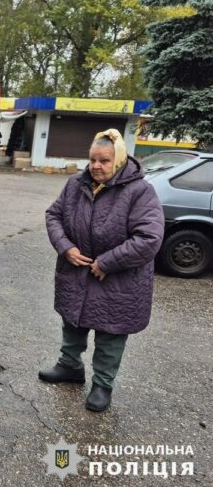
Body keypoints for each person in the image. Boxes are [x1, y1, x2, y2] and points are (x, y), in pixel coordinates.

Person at [40, 128, 164, 412]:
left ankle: (102, 385)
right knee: (73, 322)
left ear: (119, 160)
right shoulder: (75, 184)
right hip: (76, 271)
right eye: (93, 159)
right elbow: (54, 215)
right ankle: (69, 367)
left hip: (119, 280)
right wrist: (65, 247)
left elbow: (150, 238)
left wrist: (107, 262)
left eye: (105, 160)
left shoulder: (139, 191)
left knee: (110, 334)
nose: (96, 166)